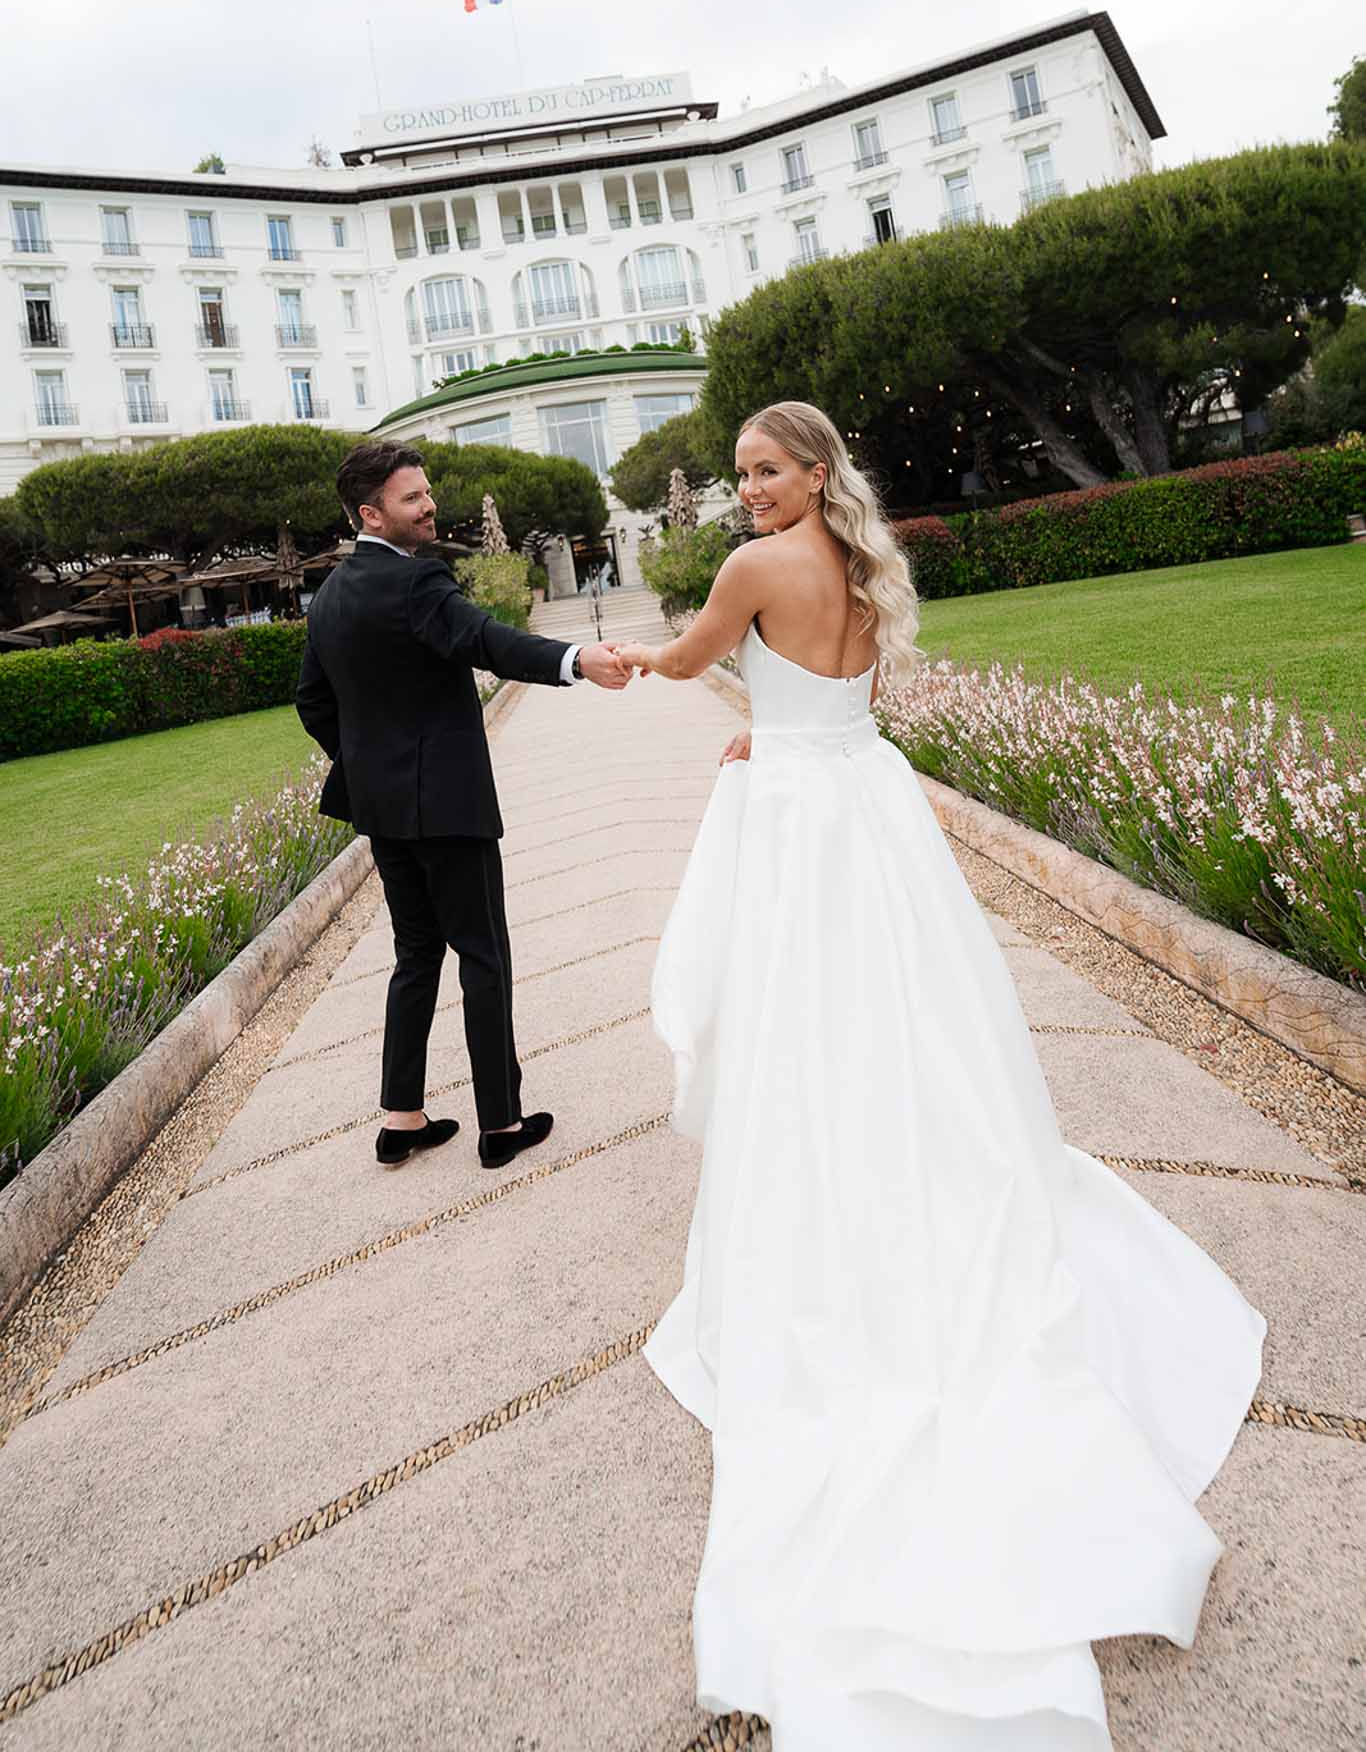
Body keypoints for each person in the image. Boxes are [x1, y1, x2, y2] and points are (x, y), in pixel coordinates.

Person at [614, 401, 1266, 1751]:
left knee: (805, 1024)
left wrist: (627, 659)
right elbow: (835, 696)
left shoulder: (751, 569)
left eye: (765, 470)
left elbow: (687, 664)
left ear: (811, 472)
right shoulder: (859, 561)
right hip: (864, 799)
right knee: (909, 1019)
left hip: (804, 821)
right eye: (738, 475)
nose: (747, 491)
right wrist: (780, 732)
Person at [296, 441, 631, 1171]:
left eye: (427, 492)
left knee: (415, 956)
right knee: (483, 954)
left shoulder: (327, 598)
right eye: (413, 497)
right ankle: (501, 1125)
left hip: (382, 812)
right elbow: (487, 641)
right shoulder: (418, 582)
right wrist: (577, 662)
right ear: (370, 512)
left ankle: (401, 1116)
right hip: (448, 805)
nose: (429, 504)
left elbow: (312, 703)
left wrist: (374, 768)